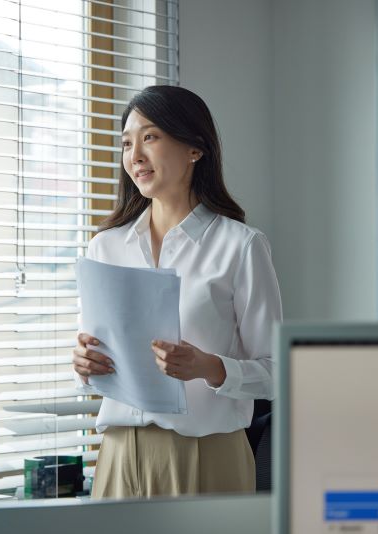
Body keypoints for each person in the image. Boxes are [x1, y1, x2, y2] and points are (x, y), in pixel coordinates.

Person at [72, 85, 282, 498]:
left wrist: (211, 368)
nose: (135, 156)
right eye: (127, 143)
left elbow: (280, 374)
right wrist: (84, 364)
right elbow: (96, 358)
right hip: (118, 455)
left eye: (150, 137)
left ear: (195, 150)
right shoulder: (105, 247)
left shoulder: (240, 246)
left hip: (207, 456)